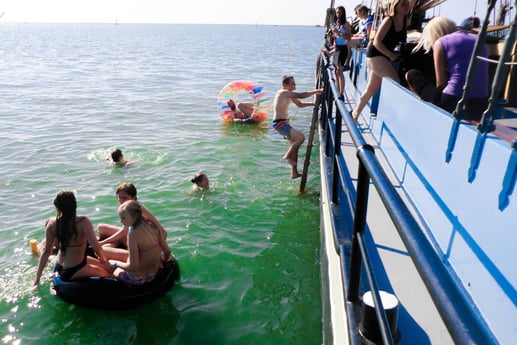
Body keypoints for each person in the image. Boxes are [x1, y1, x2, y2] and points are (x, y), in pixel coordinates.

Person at [405, 16, 488, 121]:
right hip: (481, 105)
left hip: (453, 103)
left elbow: (441, 84)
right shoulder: (480, 40)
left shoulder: (441, 42)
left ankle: (420, 112)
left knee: (411, 74)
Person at [33, 191, 110, 287]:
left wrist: (37, 278)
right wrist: (103, 260)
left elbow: (46, 251)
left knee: (100, 265)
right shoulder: (83, 222)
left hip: (60, 266)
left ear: (57, 207)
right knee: (107, 273)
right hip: (75, 269)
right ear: (74, 205)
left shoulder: (52, 223)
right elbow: (97, 248)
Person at [352, 0, 411, 121]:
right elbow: (377, 42)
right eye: (403, 4)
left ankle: (355, 114)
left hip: (383, 57)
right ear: (395, 7)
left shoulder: (405, 21)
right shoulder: (389, 20)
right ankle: (392, 117)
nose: (407, 6)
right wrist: (391, 55)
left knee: (371, 89)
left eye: (407, 3)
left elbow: (402, 41)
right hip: (375, 55)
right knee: (396, 84)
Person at [107, 200, 172, 285]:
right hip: (155, 273)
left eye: (123, 218)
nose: (121, 221)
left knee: (115, 271)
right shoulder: (152, 225)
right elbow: (167, 251)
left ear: (134, 217)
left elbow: (133, 267)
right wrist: (162, 259)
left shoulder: (132, 235)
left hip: (140, 278)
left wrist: (114, 263)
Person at [98, 182, 167, 260]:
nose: (121, 200)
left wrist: (102, 243)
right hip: (138, 238)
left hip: (144, 246)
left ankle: (125, 253)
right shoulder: (132, 207)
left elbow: (163, 233)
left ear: (134, 197)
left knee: (102, 250)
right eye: (119, 197)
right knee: (101, 227)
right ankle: (116, 244)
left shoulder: (136, 211)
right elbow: (125, 230)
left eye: (125, 197)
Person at [272, 75, 323, 179]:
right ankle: (286, 156)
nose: (295, 85)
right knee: (301, 138)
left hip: (284, 123)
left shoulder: (289, 94)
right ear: (285, 85)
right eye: (292, 83)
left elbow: (299, 104)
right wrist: (317, 91)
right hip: (280, 123)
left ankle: (294, 173)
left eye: (294, 83)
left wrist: (314, 104)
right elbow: (302, 95)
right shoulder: (283, 92)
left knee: (295, 147)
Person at [332, 6, 352, 98]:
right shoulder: (337, 23)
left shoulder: (346, 24)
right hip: (337, 47)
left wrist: (339, 33)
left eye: (339, 12)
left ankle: (341, 94)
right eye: (337, 12)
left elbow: (348, 38)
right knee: (336, 71)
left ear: (343, 13)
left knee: (340, 71)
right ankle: (337, 90)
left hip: (343, 48)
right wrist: (334, 34)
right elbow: (336, 36)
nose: (338, 14)